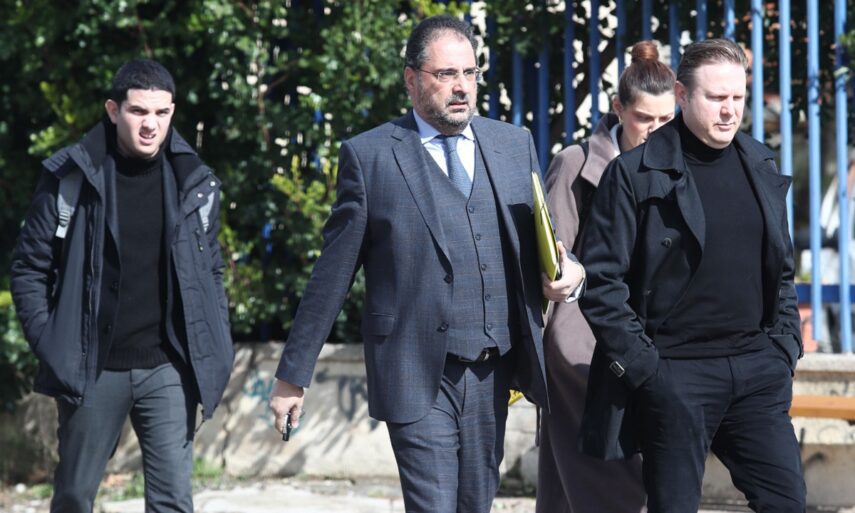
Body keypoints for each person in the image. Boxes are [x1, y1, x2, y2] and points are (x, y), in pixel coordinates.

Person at [267, 14, 585, 513]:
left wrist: (570, 271)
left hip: (494, 372)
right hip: (416, 372)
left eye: (470, 73)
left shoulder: (512, 144)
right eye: (446, 74)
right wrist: (293, 375)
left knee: (475, 504)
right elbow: (333, 273)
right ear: (412, 79)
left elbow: (545, 240)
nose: (462, 87)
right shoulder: (370, 157)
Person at [577, 38, 806, 513]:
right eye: (716, 97)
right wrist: (649, 371)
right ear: (681, 95)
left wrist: (784, 348)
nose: (729, 110)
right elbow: (601, 284)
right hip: (675, 375)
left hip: (757, 371)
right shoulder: (634, 173)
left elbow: (782, 269)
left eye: (738, 97)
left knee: (787, 501)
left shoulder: (759, 163)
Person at [10, 59, 234, 513]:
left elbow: (210, 270)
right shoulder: (72, 177)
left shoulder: (192, 180)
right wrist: (54, 345)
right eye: (138, 111)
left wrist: (216, 338)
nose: (151, 125)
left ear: (172, 112)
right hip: (92, 368)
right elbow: (29, 269)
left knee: (173, 501)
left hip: (168, 367)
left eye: (162, 113)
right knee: (74, 497)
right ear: (113, 110)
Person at [538, 40, 675, 513]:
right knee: (602, 467)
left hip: (652, 331)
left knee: (568, 480)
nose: (655, 130)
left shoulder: (679, 166)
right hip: (582, 339)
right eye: (644, 118)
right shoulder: (575, 164)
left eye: (666, 119)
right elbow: (551, 257)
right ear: (618, 109)